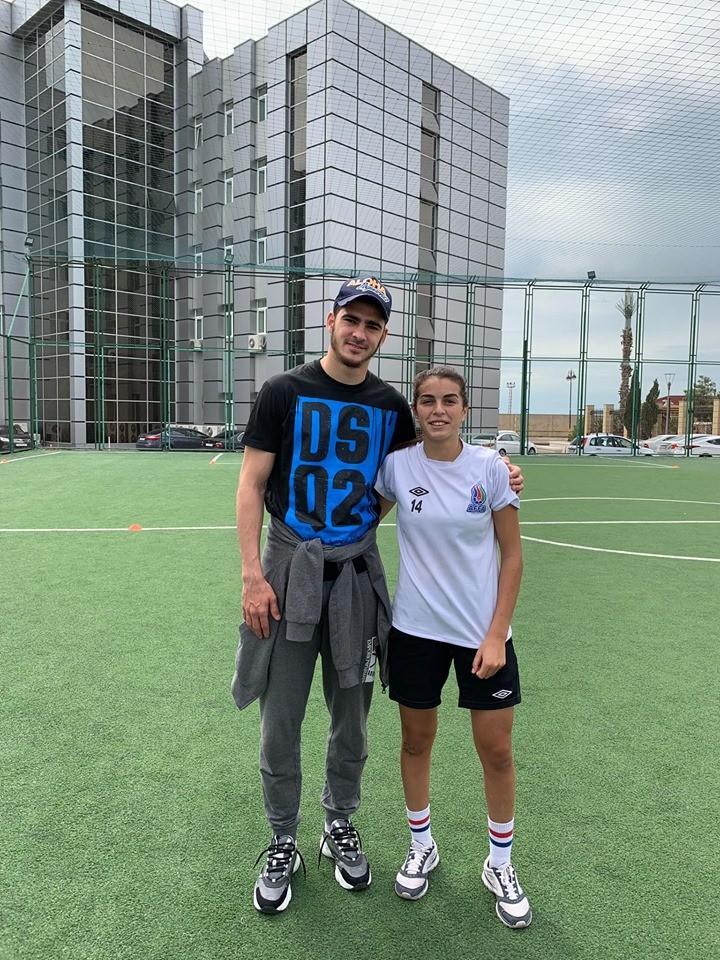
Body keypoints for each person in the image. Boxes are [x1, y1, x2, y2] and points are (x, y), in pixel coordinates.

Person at [232, 279, 524, 915]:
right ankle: (282, 837)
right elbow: (251, 484)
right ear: (331, 321)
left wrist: (499, 470)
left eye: (372, 325)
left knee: (353, 714)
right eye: (351, 320)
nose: (359, 333)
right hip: (287, 573)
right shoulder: (283, 390)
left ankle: (339, 821)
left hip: (355, 581)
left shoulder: (392, 406)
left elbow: (426, 468)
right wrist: (254, 575)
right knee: (281, 718)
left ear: (383, 335)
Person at [374, 365, 532, 929]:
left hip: (481, 637)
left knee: (497, 751)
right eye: (426, 401)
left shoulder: (490, 468)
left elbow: (512, 556)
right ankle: (422, 844)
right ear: (415, 410)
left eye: (448, 400)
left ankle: (500, 863)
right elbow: (360, 520)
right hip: (415, 632)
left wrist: (496, 632)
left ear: (465, 409)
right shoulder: (397, 467)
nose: (437, 410)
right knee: (416, 743)